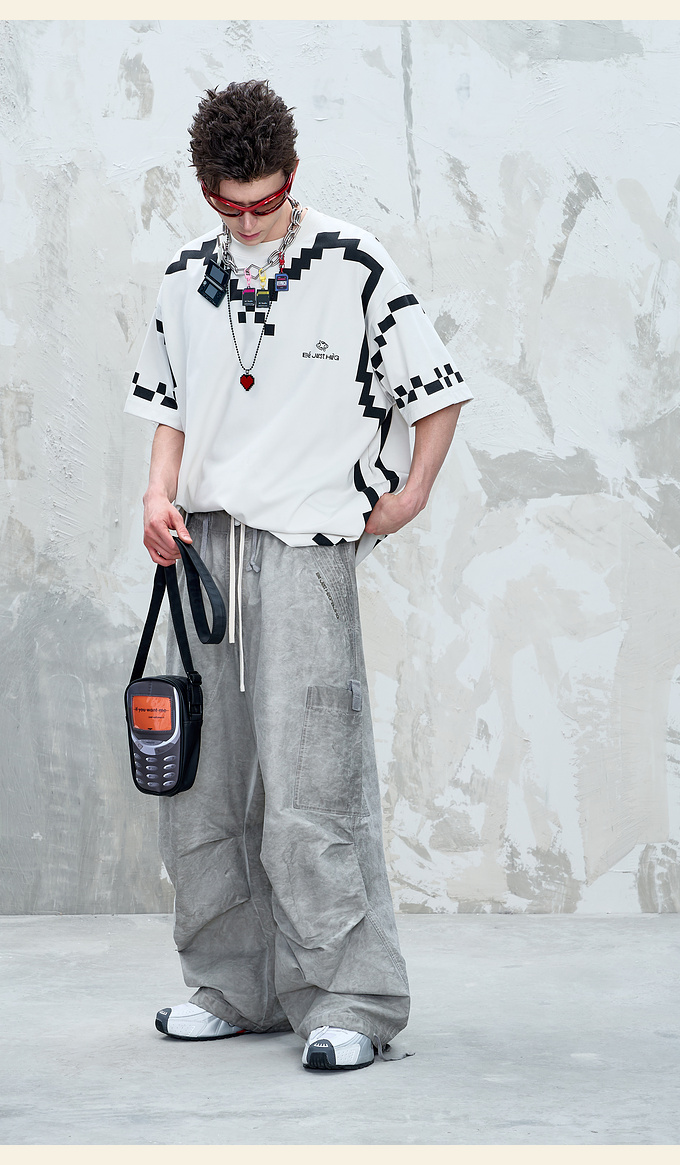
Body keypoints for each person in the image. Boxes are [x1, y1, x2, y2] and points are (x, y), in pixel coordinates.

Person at [125, 79, 471, 1071]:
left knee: (316, 790)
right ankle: (231, 986)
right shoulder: (185, 274)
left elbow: (438, 390)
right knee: (201, 789)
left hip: (307, 552)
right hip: (202, 551)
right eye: (228, 204)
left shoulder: (354, 263)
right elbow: (170, 407)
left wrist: (408, 496)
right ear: (206, 187)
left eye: (265, 202)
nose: (248, 222)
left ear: (293, 176)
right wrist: (157, 495)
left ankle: (351, 998)